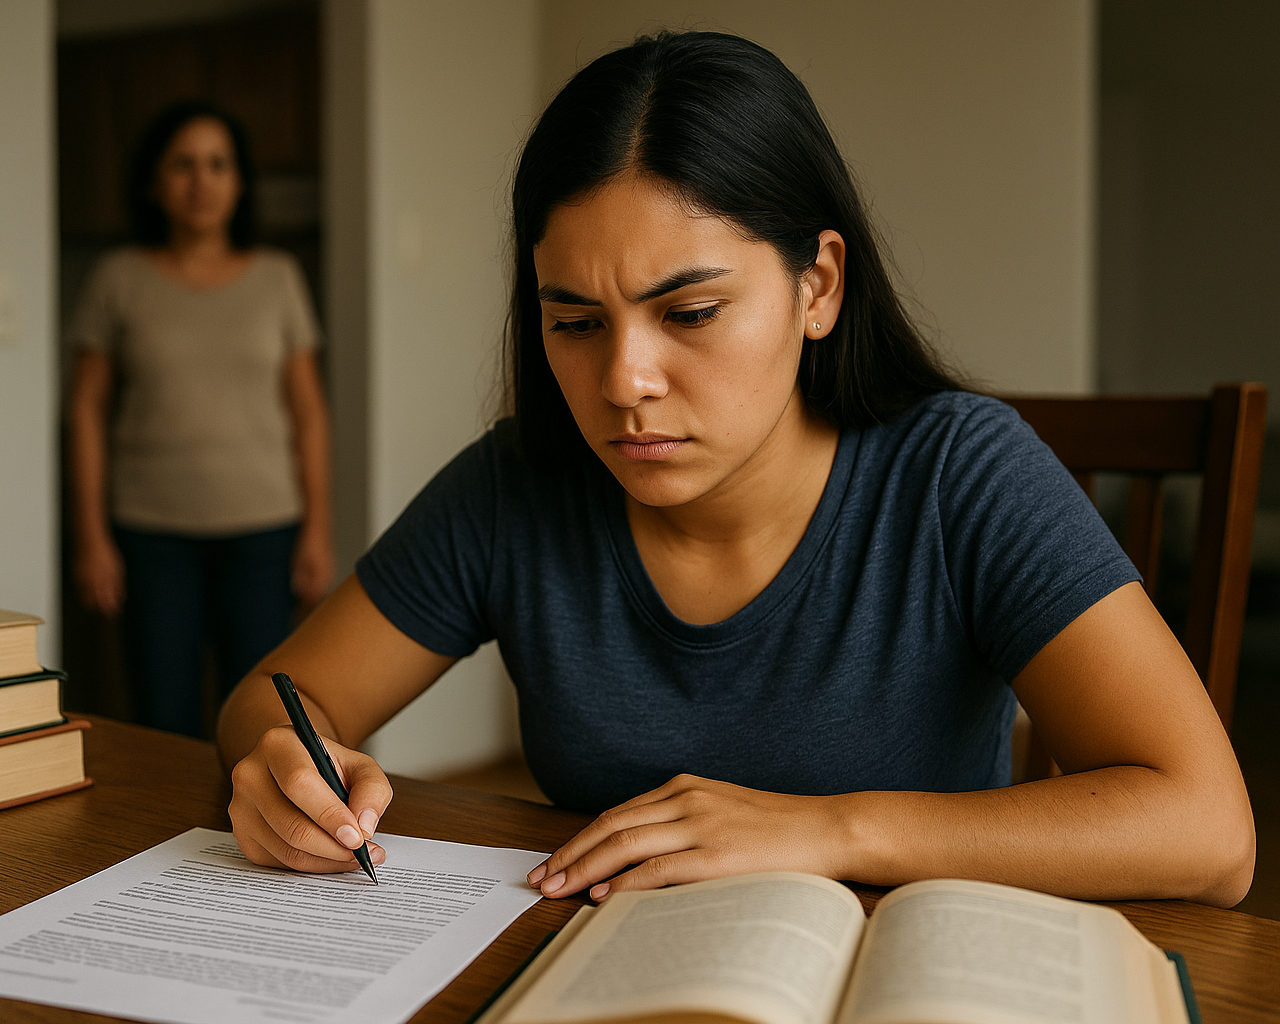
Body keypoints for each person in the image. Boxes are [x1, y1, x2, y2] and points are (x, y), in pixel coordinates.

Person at [216, 33, 1254, 906]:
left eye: (691, 313)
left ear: (819, 287)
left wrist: (829, 831)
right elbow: (277, 697)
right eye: (573, 321)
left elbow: (1209, 827)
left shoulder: (958, 474)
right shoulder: (517, 486)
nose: (624, 381)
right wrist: (282, 764)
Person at [68, 100, 334, 737]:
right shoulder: (118, 279)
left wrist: (318, 530)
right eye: (183, 164)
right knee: (163, 715)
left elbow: (309, 413)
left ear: (239, 182)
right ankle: (172, 838)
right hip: (151, 534)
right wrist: (91, 538)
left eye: (219, 164)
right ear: (154, 183)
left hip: (265, 531)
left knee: (265, 716)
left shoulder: (277, 278)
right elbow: (84, 409)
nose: (202, 180)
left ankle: (252, 838)